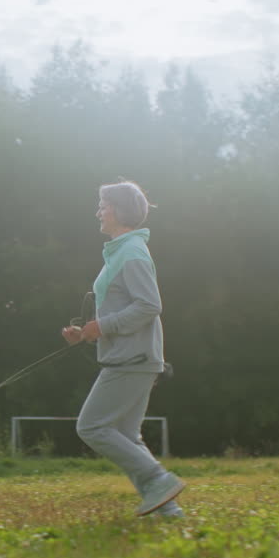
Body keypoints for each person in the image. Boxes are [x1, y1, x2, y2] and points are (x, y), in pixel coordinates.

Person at [62, 180, 185, 518]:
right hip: (133, 355)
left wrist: (101, 326)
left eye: (103, 204)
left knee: (92, 426)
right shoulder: (121, 251)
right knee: (126, 435)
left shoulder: (131, 253)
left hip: (133, 358)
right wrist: (87, 333)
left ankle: (158, 479)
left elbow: (149, 305)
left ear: (118, 210)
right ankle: (167, 507)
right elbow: (122, 308)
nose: (98, 211)